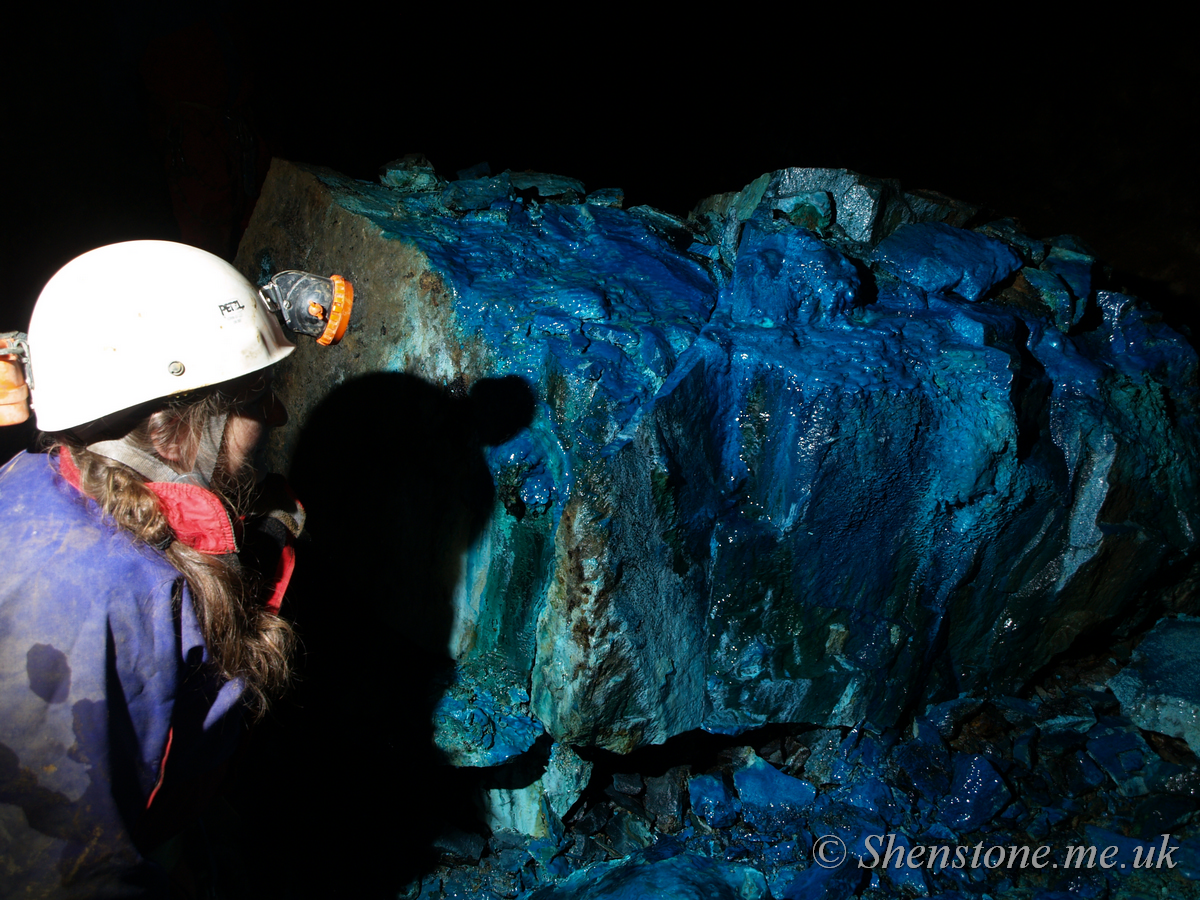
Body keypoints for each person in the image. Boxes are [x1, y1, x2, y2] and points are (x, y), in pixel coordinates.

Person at [0, 241, 314, 896]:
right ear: (174, 425)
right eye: (256, 396)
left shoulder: (56, 487)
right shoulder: (78, 599)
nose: (277, 415)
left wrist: (268, 536)